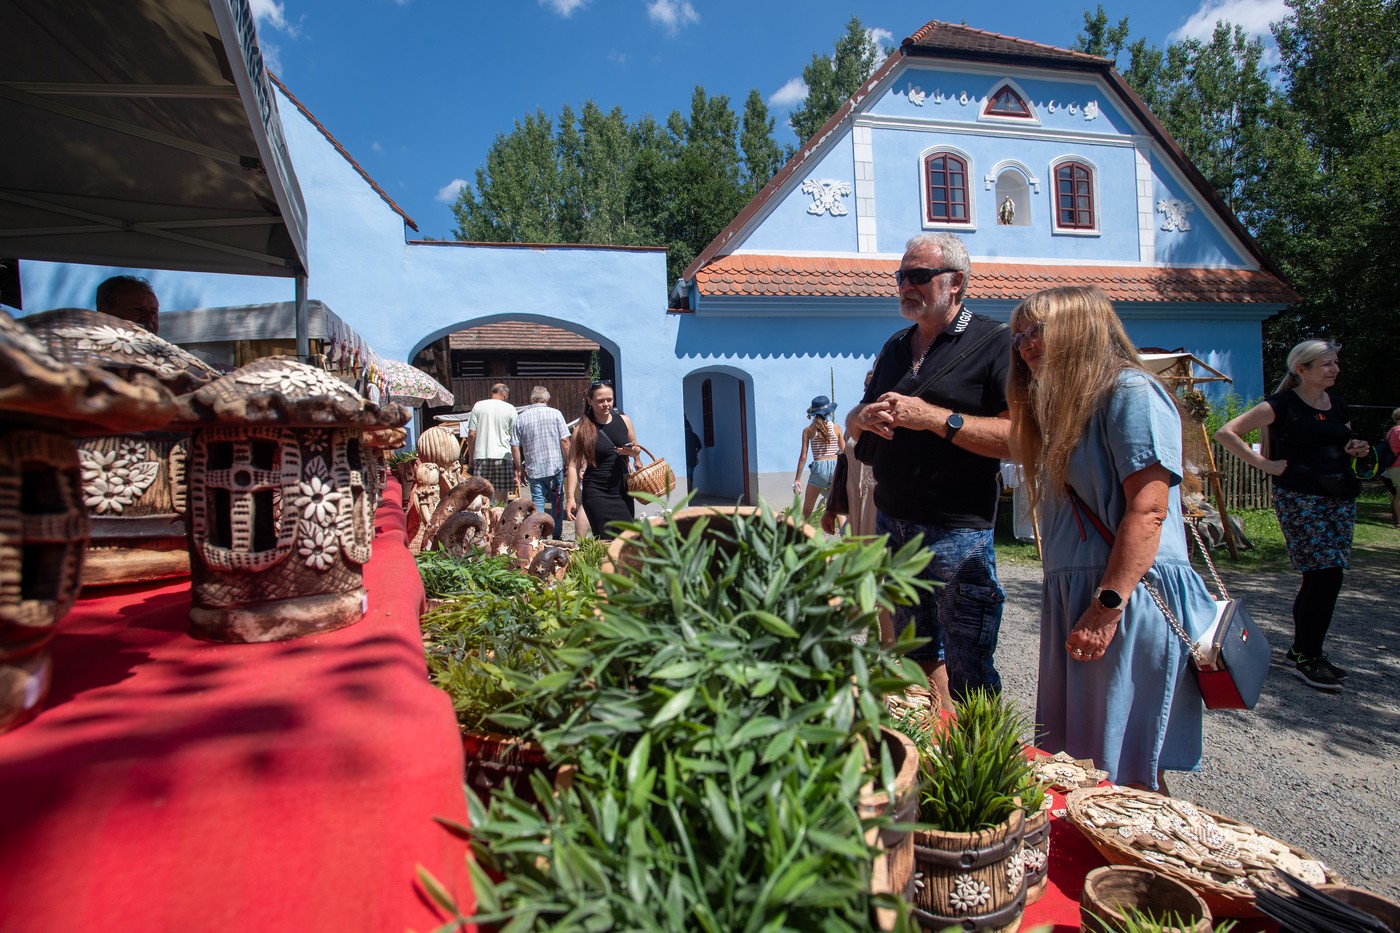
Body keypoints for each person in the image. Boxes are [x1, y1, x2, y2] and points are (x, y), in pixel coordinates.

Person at [1008, 285, 1215, 791]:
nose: (1026, 345)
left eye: (1039, 331)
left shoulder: (1129, 393)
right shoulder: (1069, 408)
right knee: (1081, 761)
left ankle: (1144, 863)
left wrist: (1104, 609)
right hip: (1086, 594)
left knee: (1123, 768)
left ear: (1082, 331)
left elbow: (1149, 511)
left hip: (1126, 596)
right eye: (1020, 336)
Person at [846, 232, 1011, 705]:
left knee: (969, 664)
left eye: (918, 276)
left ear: (956, 282)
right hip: (893, 521)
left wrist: (934, 418)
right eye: (901, 276)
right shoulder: (896, 345)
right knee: (915, 651)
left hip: (958, 531)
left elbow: (1018, 438)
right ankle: (938, 745)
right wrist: (864, 418)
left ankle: (978, 767)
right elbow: (854, 418)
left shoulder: (995, 343)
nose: (905, 286)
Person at [1215, 340, 1371, 691]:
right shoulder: (1282, 405)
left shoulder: (1338, 405)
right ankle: (1308, 655)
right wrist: (1265, 464)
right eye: (1326, 364)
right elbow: (1226, 432)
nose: (1334, 369)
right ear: (1302, 369)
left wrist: (1355, 448)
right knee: (1325, 573)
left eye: (1335, 363)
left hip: (1340, 496)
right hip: (1300, 496)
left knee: (1325, 575)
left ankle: (1304, 651)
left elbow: (1338, 444)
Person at [564, 380, 639, 540]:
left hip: (622, 490)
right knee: (607, 539)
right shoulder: (581, 430)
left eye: (609, 400)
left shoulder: (624, 421)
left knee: (628, 538)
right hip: (597, 491)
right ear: (590, 400)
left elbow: (637, 450)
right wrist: (570, 497)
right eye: (600, 400)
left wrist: (632, 452)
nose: (606, 404)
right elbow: (573, 465)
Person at [823, 371, 878, 538]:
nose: (867, 392)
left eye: (871, 388)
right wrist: (831, 508)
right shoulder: (854, 423)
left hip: (878, 505)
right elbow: (843, 464)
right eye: (866, 388)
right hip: (853, 499)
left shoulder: (893, 426)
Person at [511, 385, 570, 515]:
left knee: (538, 501)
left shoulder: (521, 417)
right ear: (547, 399)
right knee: (557, 500)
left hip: (534, 467)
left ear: (532, 400)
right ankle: (557, 533)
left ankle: (538, 532)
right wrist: (568, 462)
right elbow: (565, 441)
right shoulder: (556, 414)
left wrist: (519, 468)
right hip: (555, 466)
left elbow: (514, 445)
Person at [792, 395, 845, 520]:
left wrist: (797, 479)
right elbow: (844, 452)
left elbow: (803, 457)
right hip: (836, 466)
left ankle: (800, 537)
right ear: (829, 411)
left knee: (806, 511)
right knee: (839, 511)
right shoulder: (836, 428)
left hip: (819, 467)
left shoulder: (808, 430)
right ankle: (847, 539)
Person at [465, 384, 515, 502]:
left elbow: (472, 434)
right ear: (505, 394)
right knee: (501, 499)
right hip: (503, 456)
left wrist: (471, 457)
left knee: (481, 496)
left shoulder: (478, 406)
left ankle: (484, 519)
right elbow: (514, 437)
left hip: (481, 455)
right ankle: (499, 517)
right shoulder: (510, 408)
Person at [1384, 408, 1400, 526]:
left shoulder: (1390, 431)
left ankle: (1395, 517)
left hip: (1392, 465)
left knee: (1397, 494)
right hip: (1398, 465)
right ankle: (1399, 521)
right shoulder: (1399, 431)